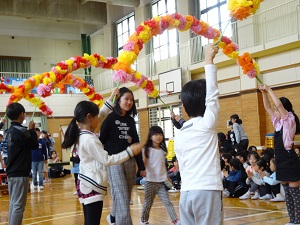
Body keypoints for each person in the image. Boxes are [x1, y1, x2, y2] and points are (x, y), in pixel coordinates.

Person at [61, 100, 142, 225]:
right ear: (89, 117)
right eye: (96, 116)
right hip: (92, 184)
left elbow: (101, 115)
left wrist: (110, 100)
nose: (99, 119)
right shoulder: (89, 139)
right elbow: (107, 160)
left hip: (87, 182)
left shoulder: (83, 133)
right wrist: (129, 152)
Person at [174, 44, 223, 225]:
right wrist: (208, 60)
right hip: (207, 191)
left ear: (185, 108)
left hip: (186, 194)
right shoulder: (207, 124)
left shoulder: (180, 133)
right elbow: (212, 95)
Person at [100, 87, 145, 225]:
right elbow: (101, 140)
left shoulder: (131, 121)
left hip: (130, 161)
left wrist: (141, 166)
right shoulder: (110, 118)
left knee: (125, 198)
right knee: (122, 196)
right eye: (126, 99)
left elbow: (136, 143)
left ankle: (113, 216)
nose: (129, 102)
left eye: (131, 100)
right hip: (115, 162)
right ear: (118, 100)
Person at [259, 84, 300, 225]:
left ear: (284, 109)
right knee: (287, 193)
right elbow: (268, 107)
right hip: (280, 160)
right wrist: (263, 93)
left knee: (295, 193)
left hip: (289, 159)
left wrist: (269, 89)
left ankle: (298, 220)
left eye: (278, 109)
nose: (275, 110)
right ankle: (292, 220)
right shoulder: (278, 123)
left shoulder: (290, 120)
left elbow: (278, 105)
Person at [5, 102, 39, 225]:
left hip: (11, 172)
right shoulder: (22, 131)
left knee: (13, 203)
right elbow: (34, 145)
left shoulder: (9, 131)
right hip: (20, 172)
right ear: (21, 114)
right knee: (19, 205)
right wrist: (32, 131)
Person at [140, 126, 180, 225]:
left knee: (167, 202)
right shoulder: (147, 149)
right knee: (148, 203)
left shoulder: (162, 150)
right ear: (150, 136)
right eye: (155, 134)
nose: (158, 136)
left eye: (160, 134)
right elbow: (143, 163)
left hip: (160, 182)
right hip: (149, 181)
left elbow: (162, 166)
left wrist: (167, 176)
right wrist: (142, 171)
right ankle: (143, 221)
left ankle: (175, 220)